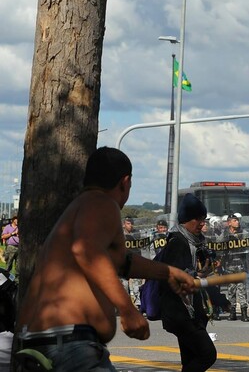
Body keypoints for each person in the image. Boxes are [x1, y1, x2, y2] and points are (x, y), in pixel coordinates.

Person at [15, 147, 196, 372]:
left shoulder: (81, 209)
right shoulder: (101, 203)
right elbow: (86, 251)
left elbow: (117, 261)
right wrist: (128, 309)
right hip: (70, 346)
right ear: (125, 182)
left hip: (38, 344)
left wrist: (167, 273)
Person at [159, 193, 218, 371]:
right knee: (207, 354)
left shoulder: (196, 243)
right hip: (181, 312)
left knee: (191, 359)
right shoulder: (178, 242)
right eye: (197, 219)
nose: (202, 223)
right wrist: (196, 276)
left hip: (192, 311)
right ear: (185, 219)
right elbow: (172, 276)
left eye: (204, 219)